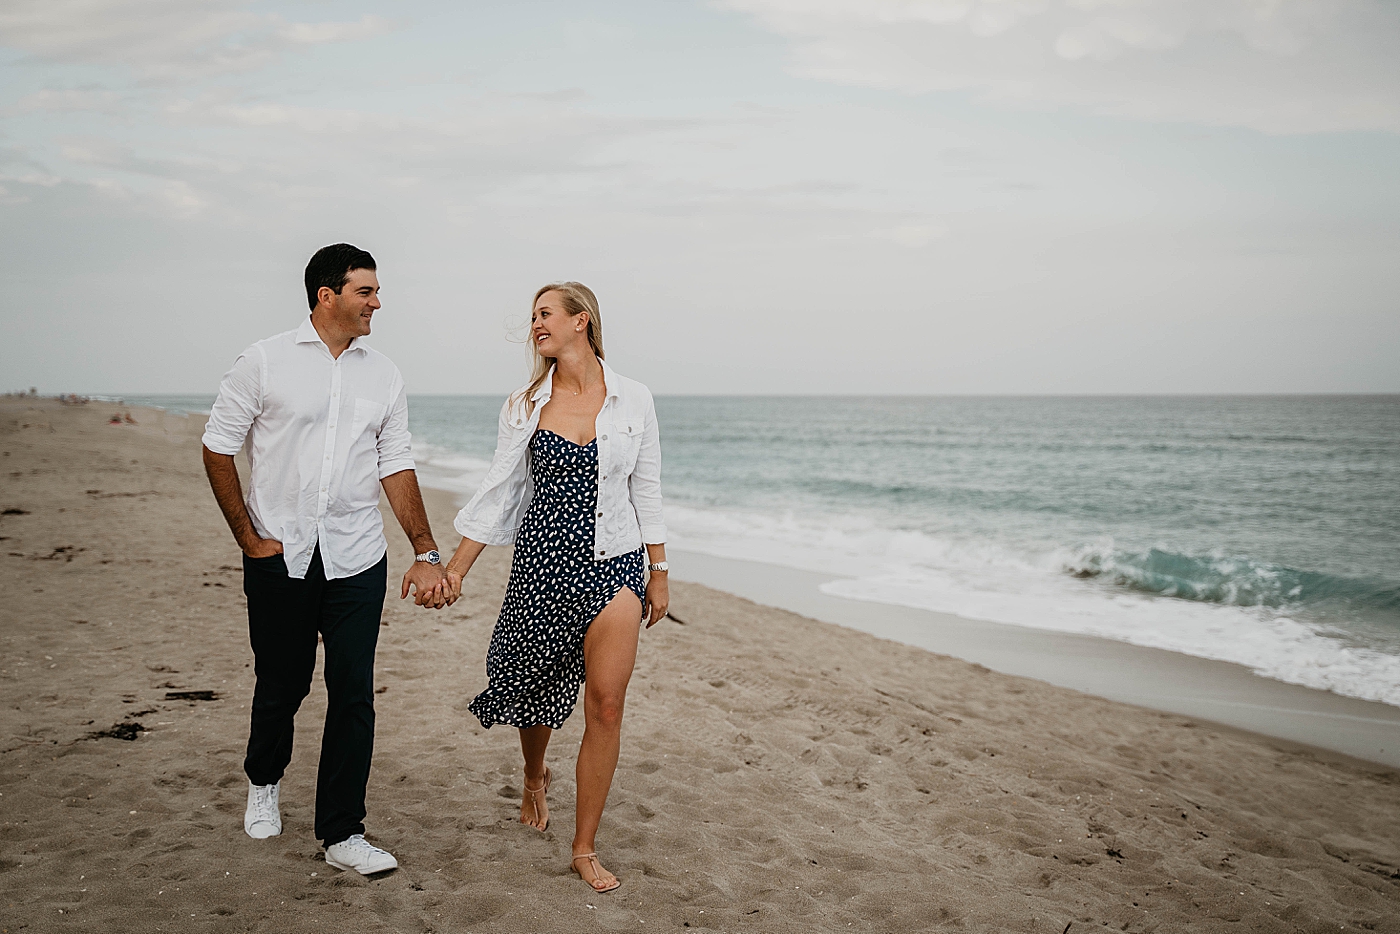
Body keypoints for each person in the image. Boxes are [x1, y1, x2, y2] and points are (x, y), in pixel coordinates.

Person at [201, 243, 452, 876]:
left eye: (376, 290)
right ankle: (264, 781)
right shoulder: (263, 362)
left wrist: (425, 549)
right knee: (283, 683)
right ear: (326, 295)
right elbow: (217, 448)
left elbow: (395, 463)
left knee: (354, 693)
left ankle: (342, 831)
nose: (376, 302)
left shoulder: (384, 374)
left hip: (358, 556)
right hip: (279, 553)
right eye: (365, 291)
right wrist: (249, 541)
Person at [440, 281, 668, 893]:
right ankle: (535, 773)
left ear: (581, 321)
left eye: (545, 314)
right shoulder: (524, 404)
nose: (535, 325)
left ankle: (584, 847)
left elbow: (645, 486)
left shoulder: (633, 399)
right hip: (542, 567)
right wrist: (458, 569)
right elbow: (500, 490)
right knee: (534, 692)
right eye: (533, 316)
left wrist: (659, 568)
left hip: (614, 564)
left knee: (607, 705)